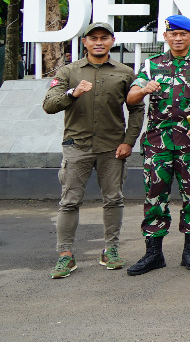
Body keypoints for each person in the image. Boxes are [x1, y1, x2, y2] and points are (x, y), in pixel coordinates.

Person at [42, 21, 142, 279]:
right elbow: (49, 105)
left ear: (112, 41)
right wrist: (73, 93)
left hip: (113, 148)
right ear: (84, 42)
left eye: (104, 38)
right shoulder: (68, 71)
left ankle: (111, 250)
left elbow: (136, 109)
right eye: (93, 38)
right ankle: (65, 255)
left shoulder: (125, 72)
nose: (99, 42)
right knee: (69, 201)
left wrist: (129, 141)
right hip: (77, 147)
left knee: (114, 199)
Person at [125, 15, 190, 275]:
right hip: (157, 144)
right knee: (155, 196)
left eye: (183, 34)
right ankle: (153, 254)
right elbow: (131, 98)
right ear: (165, 36)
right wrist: (143, 90)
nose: (178, 38)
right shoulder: (152, 65)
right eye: (173, 34)